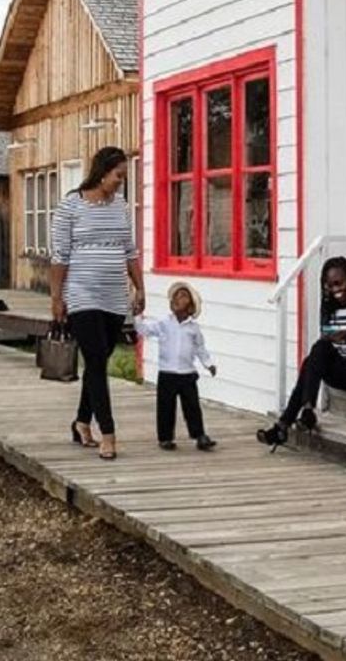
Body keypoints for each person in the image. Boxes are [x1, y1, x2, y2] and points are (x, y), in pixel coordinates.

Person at [49, 146, 143, 461]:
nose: (121, 181)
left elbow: (129, 250)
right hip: (81, 293)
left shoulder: (120, 206)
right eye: (118, 175)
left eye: (124, 176)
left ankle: (80, 422)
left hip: (114, 296)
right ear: (102, 172)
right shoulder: (70, 205)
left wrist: (139, 288)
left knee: (97, 361)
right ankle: (109, 434)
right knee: (97, 362)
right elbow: (59, 257)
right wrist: (56, 297)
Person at [257, 256, 346, 447]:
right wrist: (332, 338)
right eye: (329, 286)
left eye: (339, 283)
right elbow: (326, 348)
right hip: (341, 370)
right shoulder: (329, 306)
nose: (335, 290)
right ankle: (306, 411)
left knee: (309, 362)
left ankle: (284, 424)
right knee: (319, 350)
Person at [136, 281, 217, 452]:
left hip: (187, 373)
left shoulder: (193, 329)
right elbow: (145, 330)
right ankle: (165, 437)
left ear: (191, 306)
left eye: (183, 296)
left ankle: (199, 435)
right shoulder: (164, 323)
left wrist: (208, 364)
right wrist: (137, 316)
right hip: (167, 373)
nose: (177, 299)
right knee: (165, 406)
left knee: (192, 406)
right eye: (175, 297)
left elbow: (200, 348)